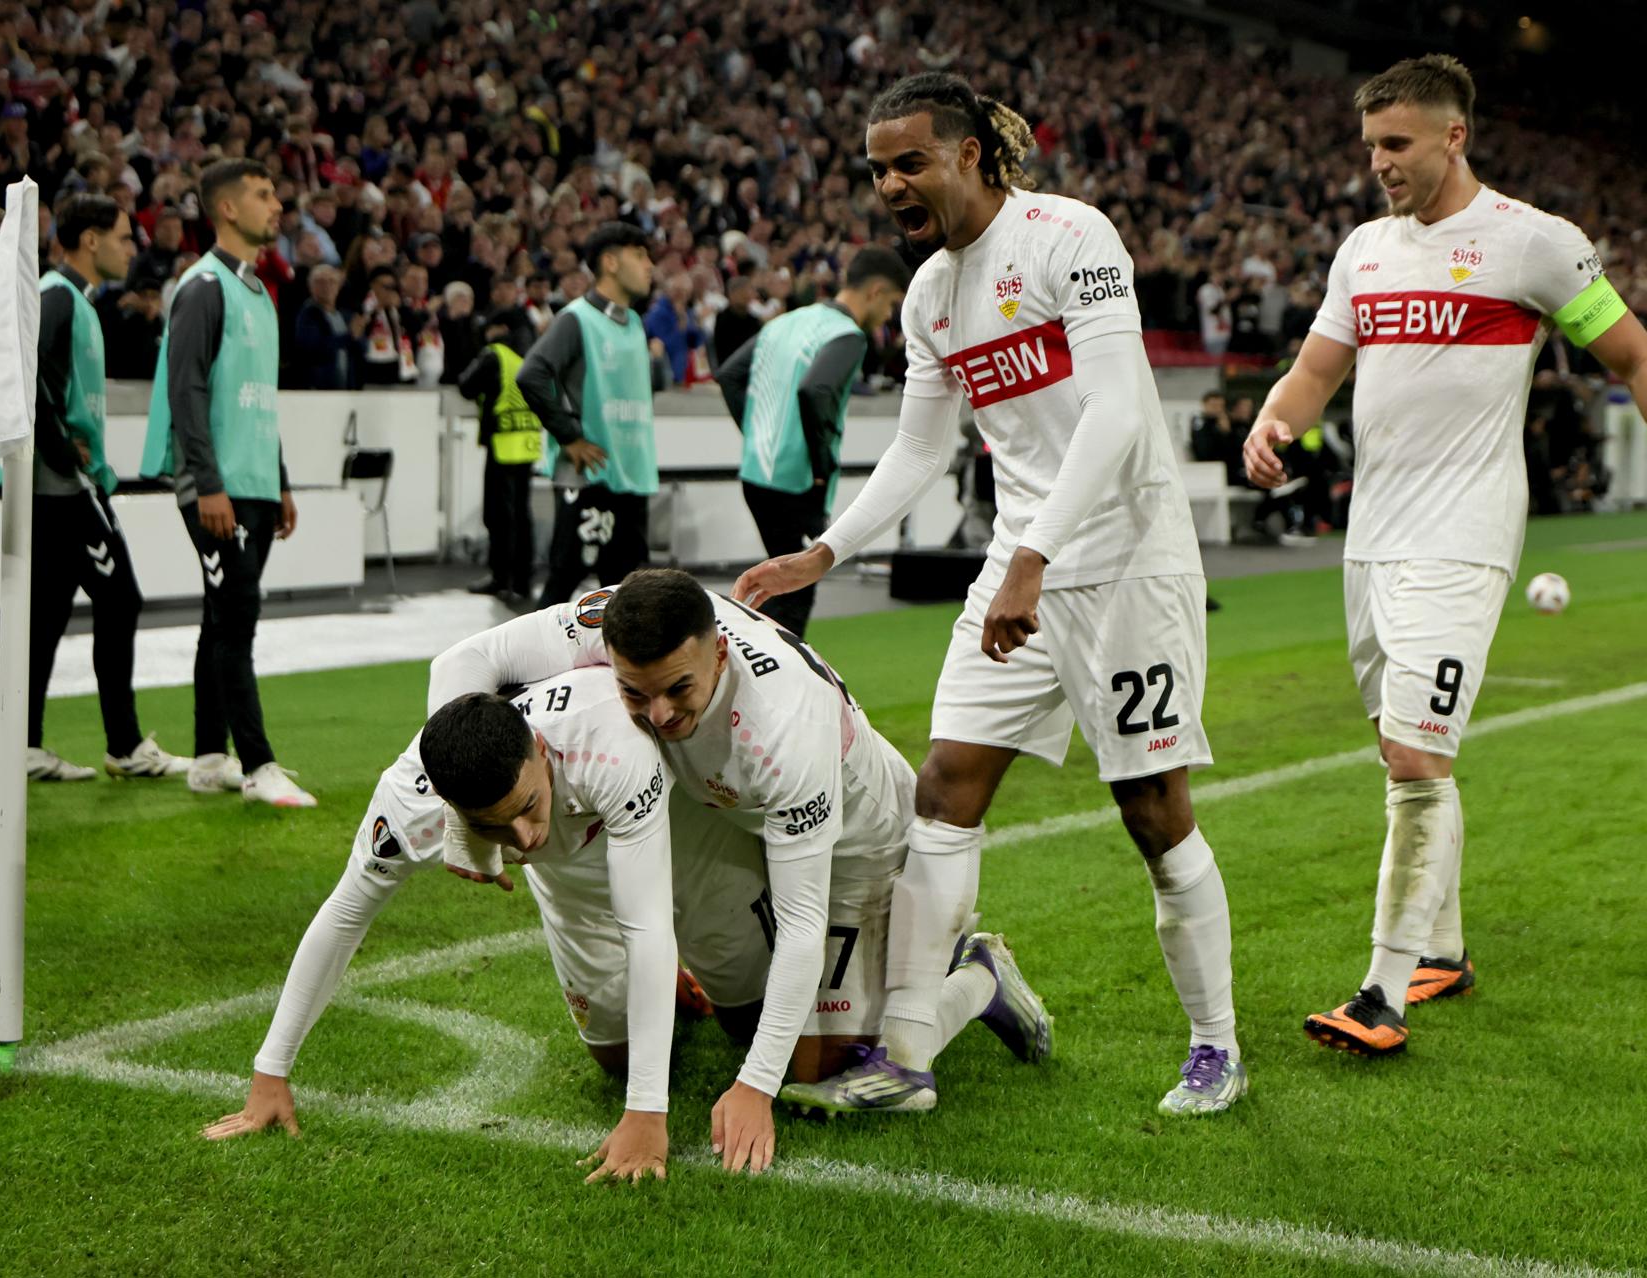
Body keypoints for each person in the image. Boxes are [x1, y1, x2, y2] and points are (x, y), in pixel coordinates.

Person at [732, 72, 1243, 1118]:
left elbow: (1115, 416)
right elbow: (921, 449)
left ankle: (1216, 1048)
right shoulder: (928, 295)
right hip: (1025, 563)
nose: (889, 183)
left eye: (908, 160)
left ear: (968, 153)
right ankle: (908, 1054)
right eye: (876, 167)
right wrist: (820, 554)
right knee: (943, 792)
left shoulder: (1071, 238)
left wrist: (1036, 554)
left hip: (1126, 563)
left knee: (1153, 813)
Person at [1243, 55, 1647, 1057]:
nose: (1380, 165)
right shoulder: (1364, 253)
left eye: (1396, 145)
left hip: (1466, 539)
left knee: (1415, 753)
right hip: (1372, 544)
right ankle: (1443, 949)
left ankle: (1383, 992)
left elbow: (1637, 361)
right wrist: (1275, 425)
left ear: (1454, 136)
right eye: (1371, 148)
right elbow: (1316, 368)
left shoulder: (1534, 245)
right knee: (1404, 758)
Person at [426, 571, 1051, 1164]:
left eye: (678, 690)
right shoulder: (620, 614)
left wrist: (754, 1086)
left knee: (819, 1066)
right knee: (741, 1025)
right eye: (633, 693)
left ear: (719, 655)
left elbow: (802, 919)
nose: (660, 716)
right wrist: (465, 829)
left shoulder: (784, 730)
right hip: (755, 828)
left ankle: (975, 976)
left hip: (855, 844)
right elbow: (458, 664)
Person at [202, 666, 776, 1184]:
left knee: (754, 1021)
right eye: (495, 827)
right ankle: (662, 990)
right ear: (452, 811)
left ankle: (698, 970)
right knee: (616, 1058)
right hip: (568, 880)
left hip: (672, 841)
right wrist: (269, 1072)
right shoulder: (406, 807)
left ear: (542, 752)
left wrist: (647, 1113)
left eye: (527, 806)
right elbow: (343, 918)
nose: (523, 837)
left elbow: (645, 924)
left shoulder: (609, 741)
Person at [140, 158, 316, 808]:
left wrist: (282, 481)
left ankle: (209, 755)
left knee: (221, 618)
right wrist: (206, 482)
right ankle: (257, 763)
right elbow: (186, 388)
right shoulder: (202, 286)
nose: (278, 204)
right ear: (228, 210)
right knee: (239, 616)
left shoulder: (259, 293)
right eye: (264, 194)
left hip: (254, 485)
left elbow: (256, 400)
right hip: (215, 489)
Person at [21, 194, 190, 783]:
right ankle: (123, 745)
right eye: (122, 236)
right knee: (121, 600)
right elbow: (26, 374)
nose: (130, 247)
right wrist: (62, 449)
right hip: (63, 488)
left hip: (56, 486)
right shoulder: (57, 298)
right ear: (89, 240)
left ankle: (27, 745)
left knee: (44, 616)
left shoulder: (75, 302)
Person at [714, 246, 910, 637]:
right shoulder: (848, 336)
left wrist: (758, 434)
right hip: (797, 483)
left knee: (777, 587)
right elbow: (815, 390)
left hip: (756, 475)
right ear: (874, 291)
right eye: (891, 303)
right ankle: (774, 685)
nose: (888, 316)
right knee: (794, 593)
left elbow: (729, 375)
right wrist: (821, 467)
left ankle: (756, 667)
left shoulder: (787, 321)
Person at [516, 221, 666, 607]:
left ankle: (616, 670)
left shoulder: (633, 322)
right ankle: (528, 669)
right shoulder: (577, 318)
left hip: (630, 476)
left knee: (630, 595)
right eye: (640, 255)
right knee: (563, 585)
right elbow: (531, 375)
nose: (650, 265)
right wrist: (569, 437)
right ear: (611, 262)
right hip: (588, 477)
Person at [457, 307, 541, 600]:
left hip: (502, 444)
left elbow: (466, 386)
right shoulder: (532, 356)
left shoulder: (495, 355)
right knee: (522, 516)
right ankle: (523, 580)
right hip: (528, 443)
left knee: (499, 516)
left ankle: (500, 577)